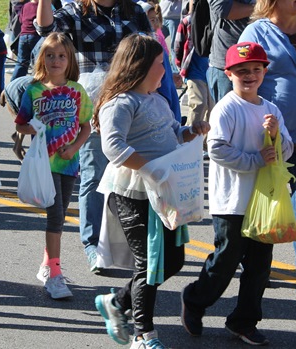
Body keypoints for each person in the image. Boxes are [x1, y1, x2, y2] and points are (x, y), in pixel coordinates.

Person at [34, 0, 172, 273]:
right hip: (94, 106)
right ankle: (93, 244)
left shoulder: (133, 10)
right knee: (94, 175)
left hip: (135, 106)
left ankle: (137, 243)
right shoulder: (75, 12)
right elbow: (45, 28)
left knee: (136, 175)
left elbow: (152, 51)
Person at [93, 34, 209, 348]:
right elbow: (113, 146)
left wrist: (190, 132)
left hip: (164, 190)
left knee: (173, 261)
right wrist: (149, 167)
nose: (166, 70)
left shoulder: (157, 99)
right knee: (150, 262)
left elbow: (171, 133)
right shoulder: (120, 102)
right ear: (141, 67)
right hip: (134, 192)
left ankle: (117, 303)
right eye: (161, 63)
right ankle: (144, 335)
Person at [180, 42, 293, 345]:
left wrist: (275, 135)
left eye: (256, 69)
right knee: (226, 259)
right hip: (231, 201)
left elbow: (287, 149)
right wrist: (256, 160)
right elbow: (216, 149)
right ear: (228, 73)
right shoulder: (227, 108)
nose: (250, 75)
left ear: (264, 72)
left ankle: (243, 321)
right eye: (242, 71)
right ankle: (195, 300)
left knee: (259, 266)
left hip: (263, 201)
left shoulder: (271, 110)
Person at [239, 0, 296, 303]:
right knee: (260, 201)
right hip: (268, 136)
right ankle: (255, 265)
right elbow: (240, 81)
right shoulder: (256, 34)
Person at [14, 32, 93, 299]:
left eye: (61, 55)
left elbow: (86, 126)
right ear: (42, 59)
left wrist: (74, 148)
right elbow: (21, 124)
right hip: (43, 163)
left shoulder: (77, 91)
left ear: (69, 59)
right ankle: (55, 275)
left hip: (69, 162)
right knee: (56, 216)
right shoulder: (34, 90)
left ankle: (48, 265)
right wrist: (32, 128)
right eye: (50, 55)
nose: (56, 60)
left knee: (59, 214)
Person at [174, 1, 214, 155]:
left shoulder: (215, 19)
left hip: (211, 71)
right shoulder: (187, 21)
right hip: (194, 71)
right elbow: (178, 45)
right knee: (198, 104)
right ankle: (189, 140)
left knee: (213, 108)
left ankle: (205, 144)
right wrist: (180, 67)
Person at [207, 0, 256, 103]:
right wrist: (263, 8)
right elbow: (223, 9)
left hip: (262, 63)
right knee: (230, 115)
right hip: (228, 66)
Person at [11, 0, 42, 80]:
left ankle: (13, 84)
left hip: (23, 36)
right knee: (37, 63)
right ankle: (36, 83)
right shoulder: (41, 6)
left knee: (21, 63)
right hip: (36, 36)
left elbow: (21, 19)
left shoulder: (25, 5)